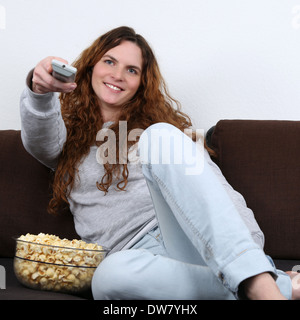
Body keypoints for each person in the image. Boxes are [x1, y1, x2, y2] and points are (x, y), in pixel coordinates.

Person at [20, 26, 296, 300]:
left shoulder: (162, 134)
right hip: (140, 262)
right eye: (109, 61)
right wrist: (39, 92)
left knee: (160, 134)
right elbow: (39, 139)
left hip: (196, 243)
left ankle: (257, 281)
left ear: (142, 82)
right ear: (91, 67)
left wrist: (248, 253)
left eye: (132, 70)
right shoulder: (65, 140)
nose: (117, 75)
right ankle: (278, 287)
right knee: (108, 277)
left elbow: (216, 193)